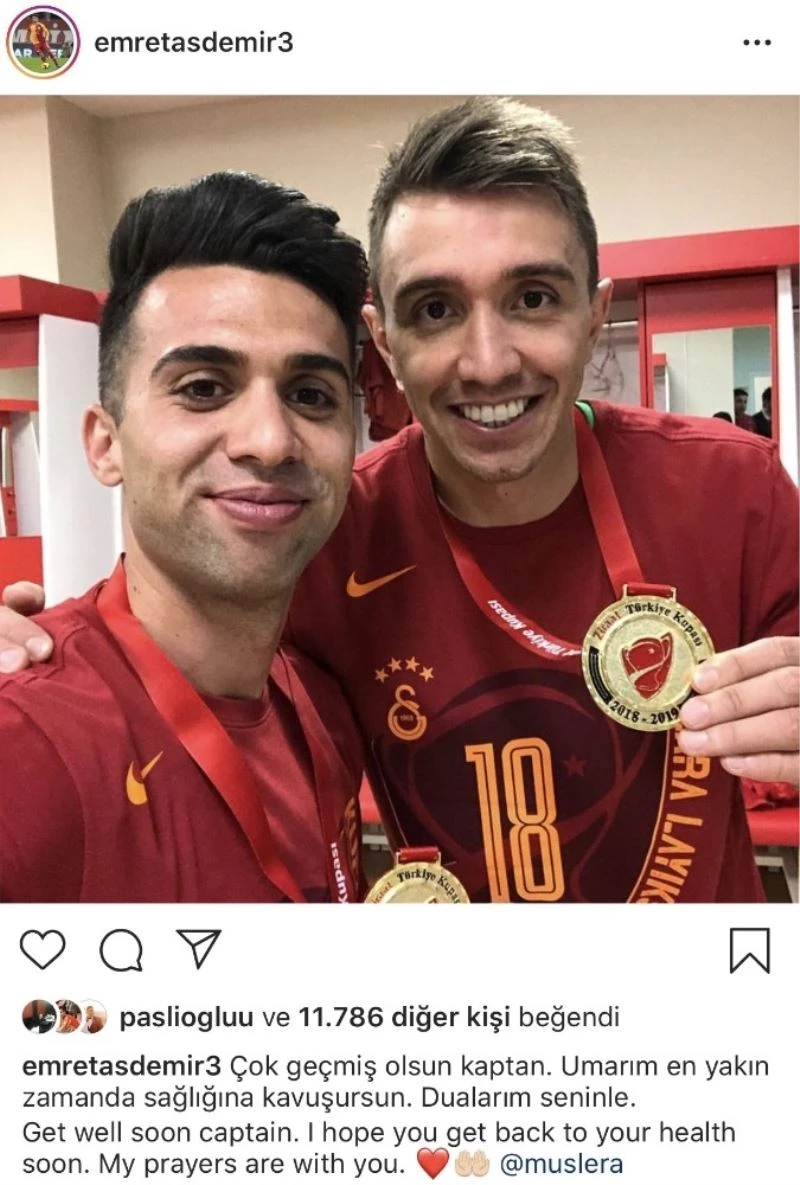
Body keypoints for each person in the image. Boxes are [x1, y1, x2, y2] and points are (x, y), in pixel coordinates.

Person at [2, 99, 798, 903]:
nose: (488, 362)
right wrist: (32, 660)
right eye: (436, 310)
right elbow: (155, 627)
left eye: (533, 298)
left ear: (594, 317)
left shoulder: (734, 489)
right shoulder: (327, 531)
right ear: (385, 341)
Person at [0, 172, 368, 903]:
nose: (270, 440)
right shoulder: (24, 744)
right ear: (105, 444)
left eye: (310, 395)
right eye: (203, 387)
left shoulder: (323, 705)